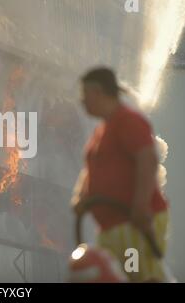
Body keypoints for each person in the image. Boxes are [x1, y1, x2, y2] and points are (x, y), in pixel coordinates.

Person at [71, 67, 170, 282]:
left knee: (139, 276)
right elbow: (94, 169)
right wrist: (81, 197)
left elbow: (147, 159)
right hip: (112, 227)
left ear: (97, 92)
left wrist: (141, 205)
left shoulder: (128, 121)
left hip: (133, 225)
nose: (82, 101)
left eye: (85, 94)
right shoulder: (103, 129)